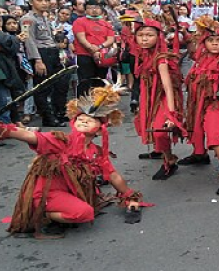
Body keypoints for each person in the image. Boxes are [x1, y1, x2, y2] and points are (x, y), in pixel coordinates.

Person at [3, 85, 144, 237]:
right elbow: (28, 136)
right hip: (47, 193)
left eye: (89, 120)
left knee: (90, 204)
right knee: (85, 213)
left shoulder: (95, 152)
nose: (83, 121)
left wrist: (130, 196)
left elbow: (113, 175)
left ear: (99, 129)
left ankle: (63, 207)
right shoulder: (59, 140)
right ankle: (40, 214)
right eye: (80, 119)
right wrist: (5, 129)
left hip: (71, 192)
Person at [181, 16, 219, 194]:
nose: (215, 44)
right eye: (210, 40)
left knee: (215, 136)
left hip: (216, 105)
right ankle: (199, 154)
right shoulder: (201, 58)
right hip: (198, 103)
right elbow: (191, 47)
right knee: (196, 130)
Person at [131, 19, 185, 180]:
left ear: (158, 37)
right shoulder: (143, 55)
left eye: (149, 35)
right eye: (140, 35)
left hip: (163, 99)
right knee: (153, 130)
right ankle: (166, 156)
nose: (144, 39)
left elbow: (168, 88)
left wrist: (172, 114)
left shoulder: (161, 59)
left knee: (160, 131)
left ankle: (169, 161)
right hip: (149, 98)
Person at [20, 0, 69, 127]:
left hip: (52, 52)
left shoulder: (45, 18)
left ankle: (59, 113)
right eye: (39, 1)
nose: (43, 3)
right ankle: (48, 117)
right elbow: (29, 41)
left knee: (60, 84)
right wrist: (37, 60)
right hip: (41, 54)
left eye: (45, 1)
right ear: (31, 2)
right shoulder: (27, 19)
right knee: (42, 87)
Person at [72, 0, 116, 82]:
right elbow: (82, 39)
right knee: (85, 81)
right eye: (90, 8)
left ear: (101, 10)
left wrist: (100, 47)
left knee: (101, 80)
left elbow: (110, 39)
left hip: (102, 56)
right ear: (85, 10)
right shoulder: (79, 21)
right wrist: (93, 51)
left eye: (97, 8)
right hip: (84, 55)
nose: (94, 10)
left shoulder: (106, 24)